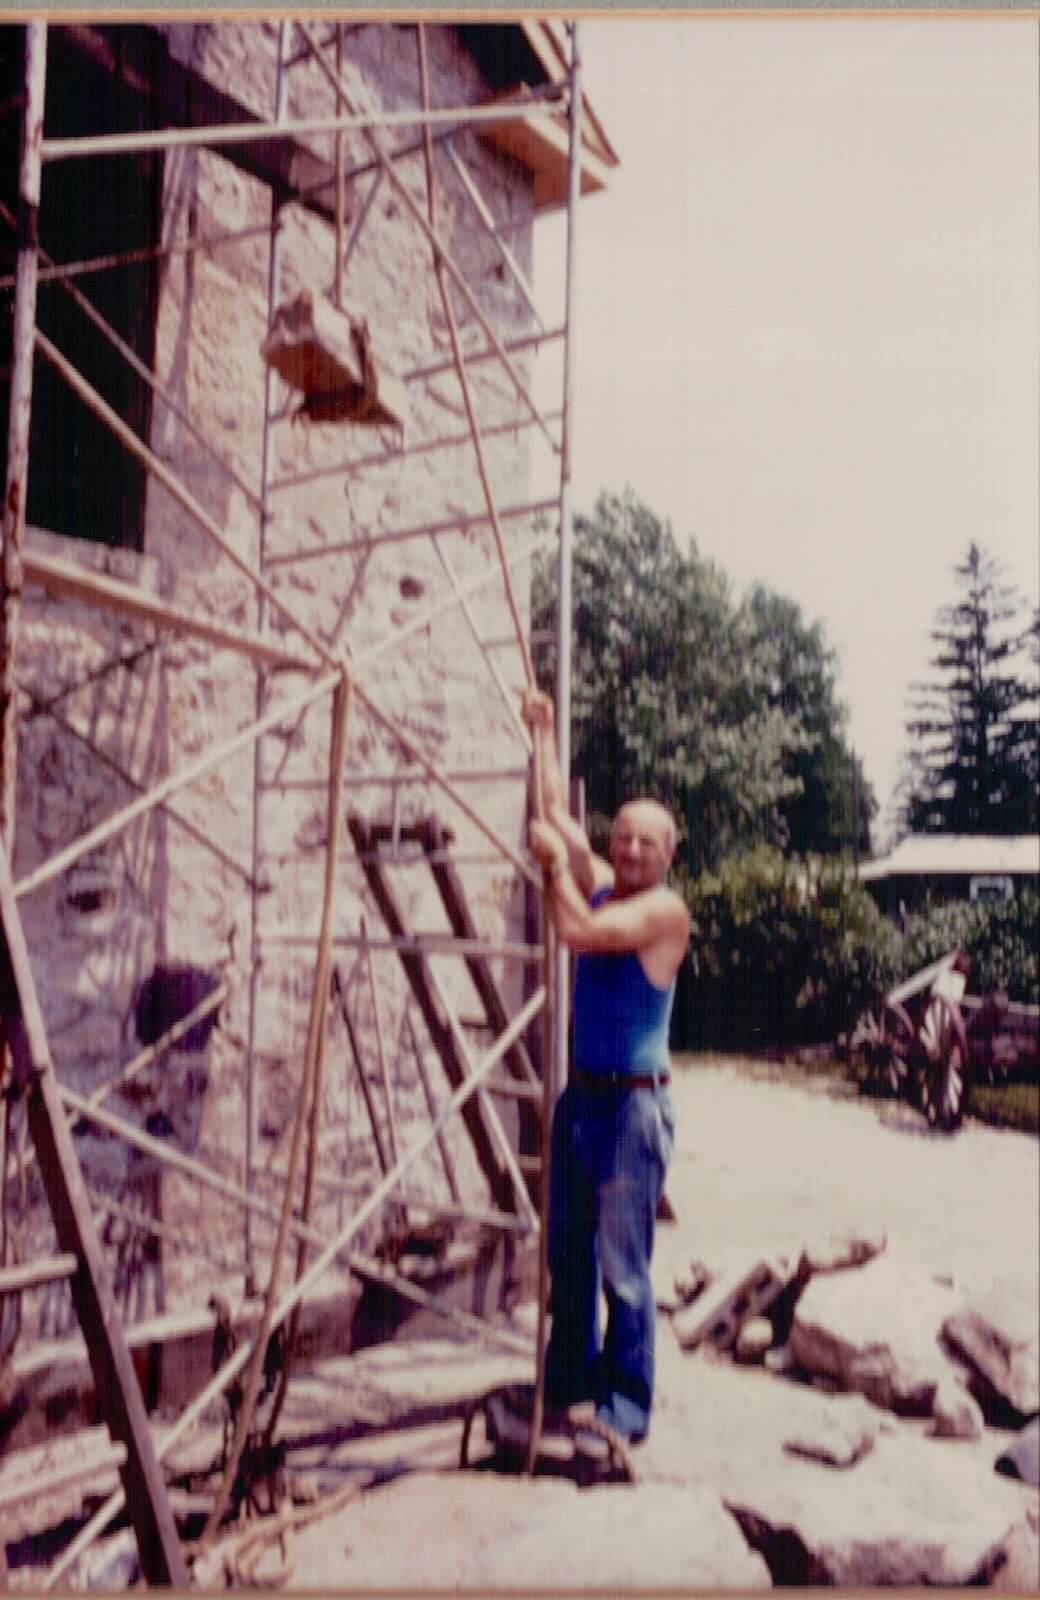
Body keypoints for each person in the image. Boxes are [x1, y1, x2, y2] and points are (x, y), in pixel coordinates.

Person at [522, 688, 690, 1451]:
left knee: (625, 1270)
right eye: (619, 836)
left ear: (668, 853)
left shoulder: (662, 913)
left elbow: (580, 933)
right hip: (583, 1101)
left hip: (631, 1112)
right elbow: (556, 810)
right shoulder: (601, 879)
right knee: (569, 1257)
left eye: (642, 843)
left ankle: (627, 1408)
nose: (626, 850)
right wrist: (544, 733)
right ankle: (570, 1380)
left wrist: (553, 868)